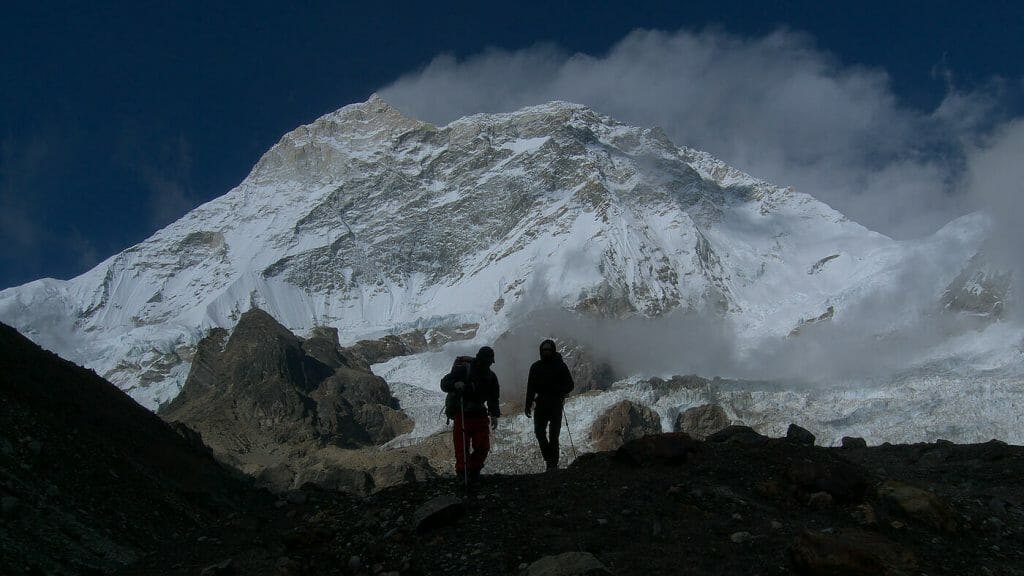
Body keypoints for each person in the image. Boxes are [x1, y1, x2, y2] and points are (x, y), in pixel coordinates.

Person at [440, 346, 500, 485]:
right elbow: (444, 384)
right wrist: (455, 384)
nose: (488, 364)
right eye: (488, 361)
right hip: (463, 413)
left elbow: (493, 397)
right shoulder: (463, 370)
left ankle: (471, 472)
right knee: (462, 447)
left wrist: (494, 414)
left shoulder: (490, 376)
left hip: (478, 413)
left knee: (482, 446)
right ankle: (464, 474)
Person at [524, 339, 575, 470]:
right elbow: (531, 388)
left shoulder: (560, 366)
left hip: (555, 404)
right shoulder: (536, 367)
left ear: (552, 350)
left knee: (553, 436)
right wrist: (528, 404)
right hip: (542, 404)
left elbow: (570, 385)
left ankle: (552, 464)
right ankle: (550, 459)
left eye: (548, 350)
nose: (546, 352)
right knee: (539, 433)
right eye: (544, 350)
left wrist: (557, 390)